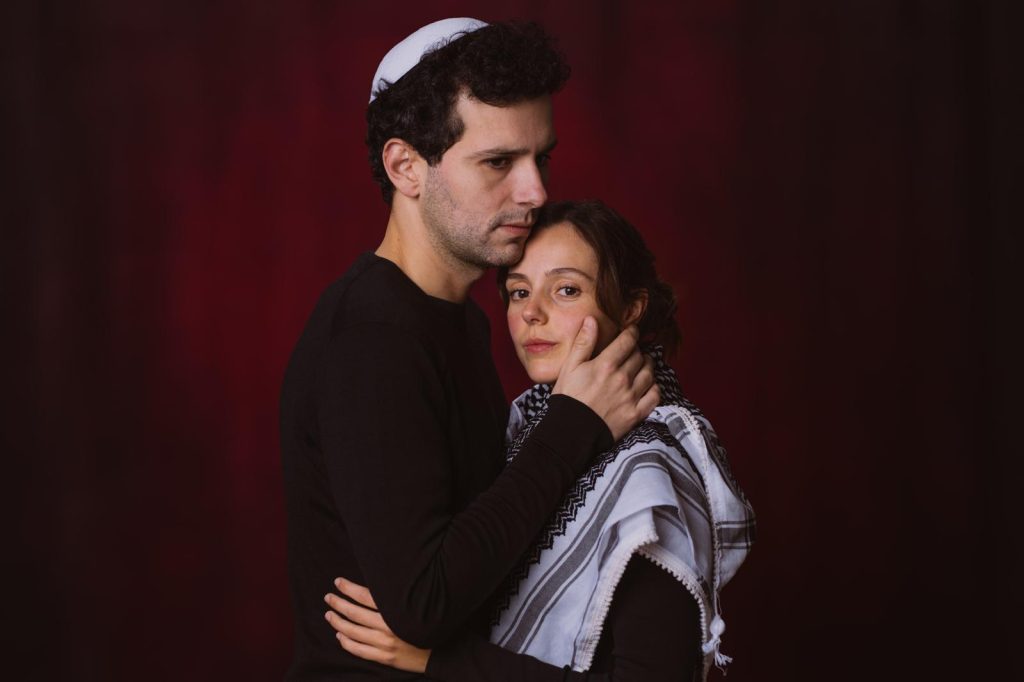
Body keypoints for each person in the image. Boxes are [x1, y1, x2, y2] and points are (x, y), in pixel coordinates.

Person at [279, 20, 660, 680]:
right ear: (406, 167)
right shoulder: (371, 336)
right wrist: (575, 425)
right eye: (498, 163)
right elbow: (423, 604)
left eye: (541, 159)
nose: (535, 192)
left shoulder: (460, 321)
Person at [323, 201, 757, 681]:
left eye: (566, 290)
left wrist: (439, 660)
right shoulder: (528, 431)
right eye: (518, 291)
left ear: (631, 308)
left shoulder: (647, 469)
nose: (531, 312)